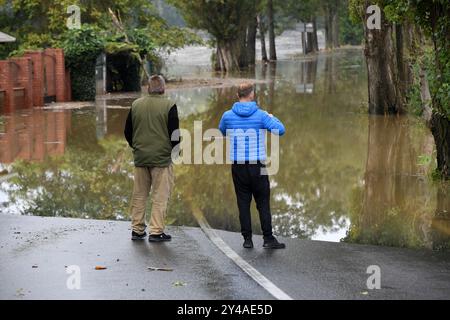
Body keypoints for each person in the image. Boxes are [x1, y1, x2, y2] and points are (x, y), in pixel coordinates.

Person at [219, 82, 286, 249]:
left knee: (243, 202)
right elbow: (281, 130)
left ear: (238, 95)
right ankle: (268, 238)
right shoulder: (261, 115)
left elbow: (222, 131)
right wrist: (271, 117)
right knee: (262, 202)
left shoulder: (227, 115)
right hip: (258, 165)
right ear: (252, 94)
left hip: (238, 165)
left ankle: (247, 240)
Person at [124, 75, 179, 243]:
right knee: (160, 195)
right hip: (162, 159)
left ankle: (137, 230)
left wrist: (138, 148)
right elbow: (174, 134)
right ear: (163, 88)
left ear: (148, 88)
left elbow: (127, 132)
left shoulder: (136, 105)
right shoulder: (169, 105)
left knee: (139, 194)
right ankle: (156, 231)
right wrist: (175, 154)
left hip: (141, 158)